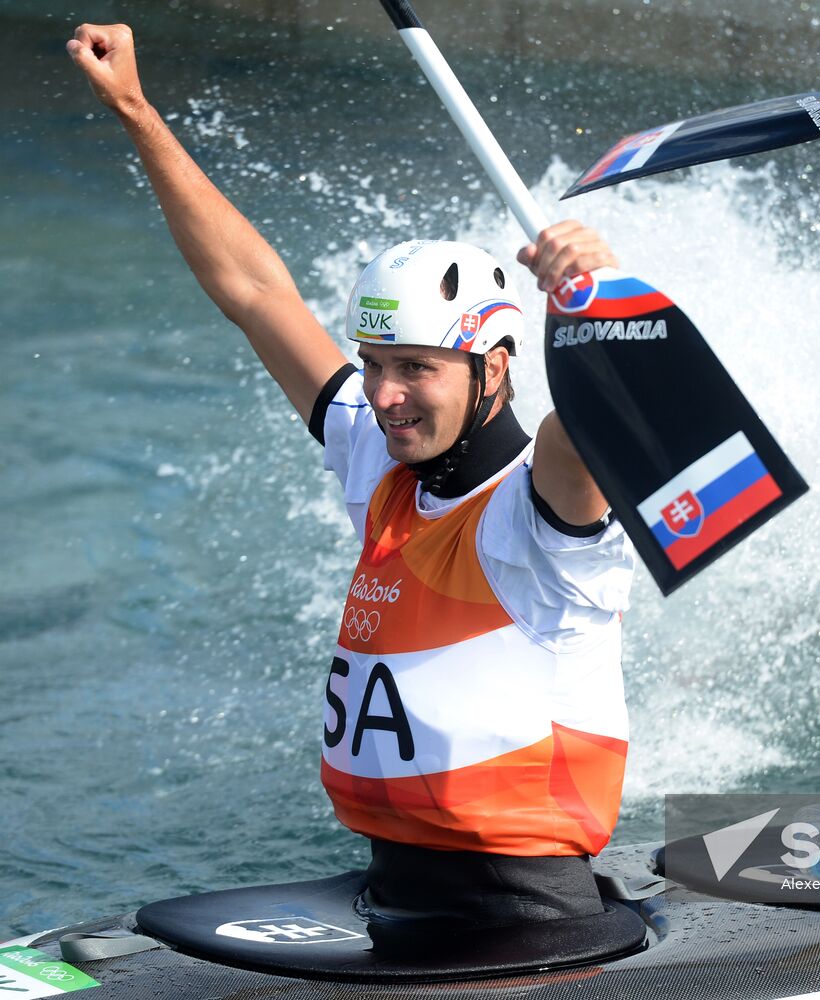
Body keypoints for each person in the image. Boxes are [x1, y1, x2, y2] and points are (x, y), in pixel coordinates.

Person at [68, 22, 635, 933]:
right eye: (373, 364)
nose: (383, 394)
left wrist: (599, 301)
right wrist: (136, 109)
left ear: (493, 367)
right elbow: (255, 293)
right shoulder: (382, 457)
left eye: (416, 368)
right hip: (392, 897)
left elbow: (600, 419)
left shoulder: (541, 511)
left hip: (526, 920)